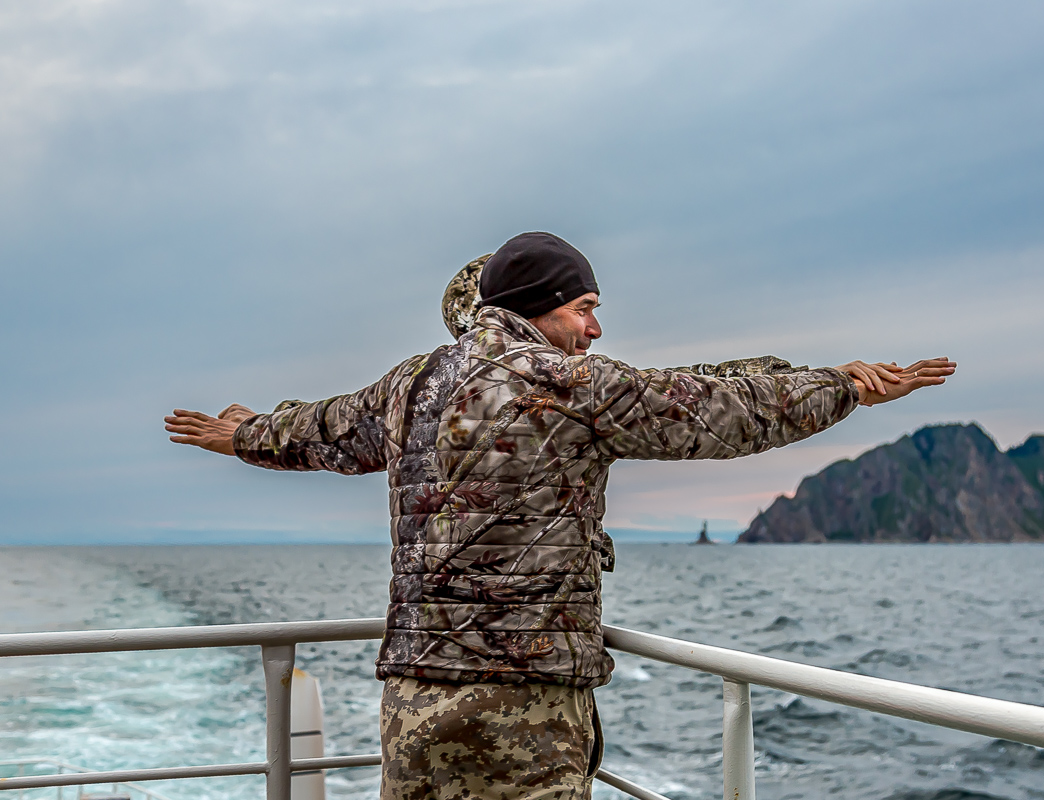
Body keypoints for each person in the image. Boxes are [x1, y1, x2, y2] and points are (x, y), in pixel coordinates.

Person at [165, 231, 955, 799]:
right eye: (585, 307)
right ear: (542, 306)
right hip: (524, 699)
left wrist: (246, 436)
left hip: (412, 696)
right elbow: (724, 409)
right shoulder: (569, 384)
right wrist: (843, 386)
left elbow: (325, 430)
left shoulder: (412, 382)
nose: (596, 328)